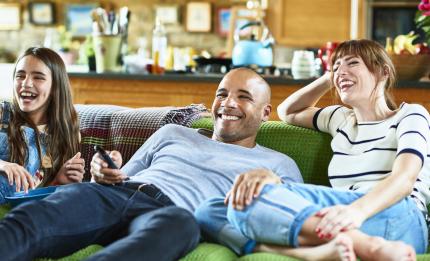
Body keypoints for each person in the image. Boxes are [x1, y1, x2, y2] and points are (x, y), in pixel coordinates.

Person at [0, 68, 303, 261]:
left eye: (243, 97)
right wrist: (103, 174)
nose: (227, 103)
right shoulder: (173, 132)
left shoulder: (277, 163)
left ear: (265, 112)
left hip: (175, 213)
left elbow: (294, 218)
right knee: (31, 221)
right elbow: (120, 176)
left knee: (181, 226)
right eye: (221, 94)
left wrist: (270, 185)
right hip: (118, 194)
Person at [196, 39, 427, 261]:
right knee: (211, 210)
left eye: (353, 63)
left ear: (383, 72)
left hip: (398, 215)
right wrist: (331, 76)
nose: (341, 72)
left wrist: (356, 212)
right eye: (337, 66)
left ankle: (367, 246)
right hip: (341, 213)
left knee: (250, 200)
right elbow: (288, 111)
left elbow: (405, 178)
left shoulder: (410, 115)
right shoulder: (340, 119)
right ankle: (321, 250)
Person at [0, 47, 84, 204]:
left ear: (55, 87)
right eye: (20, 76)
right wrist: (3, 164)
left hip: (18, 218)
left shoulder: (65, 134)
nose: (26, 83)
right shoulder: (2, 114)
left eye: (38, 77)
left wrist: (57, 182)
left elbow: (37, 196)